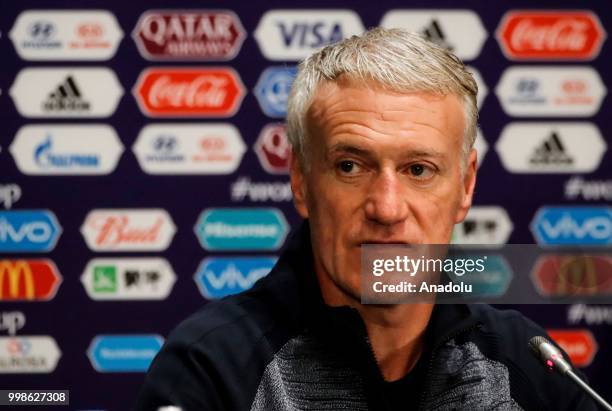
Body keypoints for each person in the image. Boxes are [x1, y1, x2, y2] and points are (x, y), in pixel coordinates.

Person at [135, 28, 596, 410]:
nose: (387, 209)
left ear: (466, 185)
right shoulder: (210, 367)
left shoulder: (530, 362)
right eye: (351, 167)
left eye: (419, 170)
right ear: (301, 180)